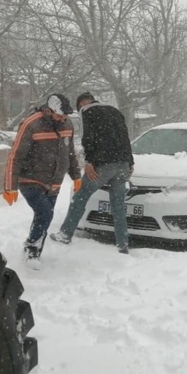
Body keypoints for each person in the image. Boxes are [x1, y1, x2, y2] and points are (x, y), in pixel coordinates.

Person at [3, 93, 81, 267]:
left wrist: (76, 176)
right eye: (60, 114)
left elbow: (70, 154)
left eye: (66, 115)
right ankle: (31, 250)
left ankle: (35, 252)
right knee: (45, 213)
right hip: (30, 179)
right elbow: (16, 155)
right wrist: (10, 186)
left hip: (54, 182)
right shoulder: (32, 124)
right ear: (49, 110)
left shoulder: (67, 124)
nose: (63, 118)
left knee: (44, 217)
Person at [50, 92, 134, 253]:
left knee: (80, 196)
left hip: (102, 165)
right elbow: (125, 136)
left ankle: (65, 233)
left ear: (81, 104)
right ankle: (122, 243)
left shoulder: (87, 111)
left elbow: (88, 138)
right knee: (118, 205)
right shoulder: (115, 111)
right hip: (122, 164)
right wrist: (130, 161)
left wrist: (89, 162)